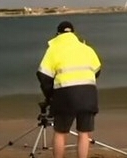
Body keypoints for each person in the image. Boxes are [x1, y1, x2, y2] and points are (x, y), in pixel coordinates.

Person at [36, 21, 102, 158]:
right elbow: (97, 70)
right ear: (73, 33)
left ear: (58, 34)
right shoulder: (87, 49)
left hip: (65, 96)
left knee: (61, 132)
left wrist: (50, 96)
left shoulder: (53, 50)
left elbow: (43, 75)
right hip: (89, 95)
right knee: (84, 133)